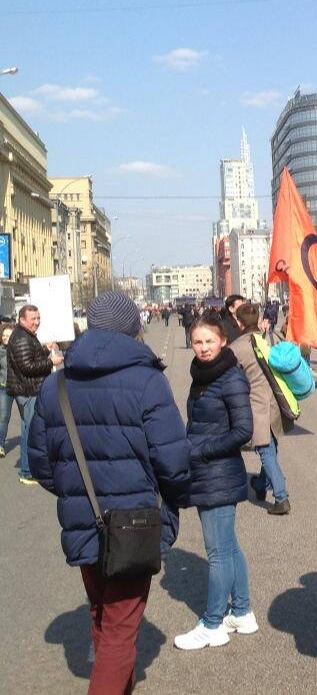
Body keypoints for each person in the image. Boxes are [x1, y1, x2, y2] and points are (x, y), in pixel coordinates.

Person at [28, 291, 191, 695]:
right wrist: (174, 498)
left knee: (103, 615)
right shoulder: (148, 380)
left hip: (84, 520)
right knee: (120, 629)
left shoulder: (56, 384)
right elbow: (173, 462)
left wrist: (77, 494)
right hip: (135, 522)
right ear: (132, 328)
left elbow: (40, 465)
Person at [174, 314, 257, 650]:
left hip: (217, 472)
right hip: (208, 472)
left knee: (218, 552)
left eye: (210, 341)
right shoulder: (203, 376)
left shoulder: (230, 378)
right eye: (198, 342)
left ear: (222, 340)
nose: (204, 348)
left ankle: (212, 624)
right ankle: (241, 611)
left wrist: (199, 450)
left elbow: (243, 430)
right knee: (229, 546)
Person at [228, 303, 291, 516]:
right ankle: (261, 484)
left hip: (256, 404)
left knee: (265, 451)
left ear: (239, 322)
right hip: (275, 400)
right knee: (271, 446)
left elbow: (231, 380)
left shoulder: (237, 347)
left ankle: (281, 497)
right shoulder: (265, 339)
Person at [7, 304, 63, 484]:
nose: (37, 322)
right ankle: (26, 471)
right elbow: (28, 367)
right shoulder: (22, 338)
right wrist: (50, 362)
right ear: (22, 319)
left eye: (38, 318)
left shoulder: (25, 335)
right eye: (33, 319)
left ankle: (28, 469)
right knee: (30, 431)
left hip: (28, 389)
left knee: (28, 429)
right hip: (28, 390)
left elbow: (31, 357)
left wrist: (46, 349)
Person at [0, 324, 15, 458]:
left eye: (8, 335)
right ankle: (0, 445)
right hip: (4, 387)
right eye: (3, 335)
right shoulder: (0, 351)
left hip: (20, 387)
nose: (5, 337)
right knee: (4, 417)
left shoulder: (19, 349)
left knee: (28, 418)